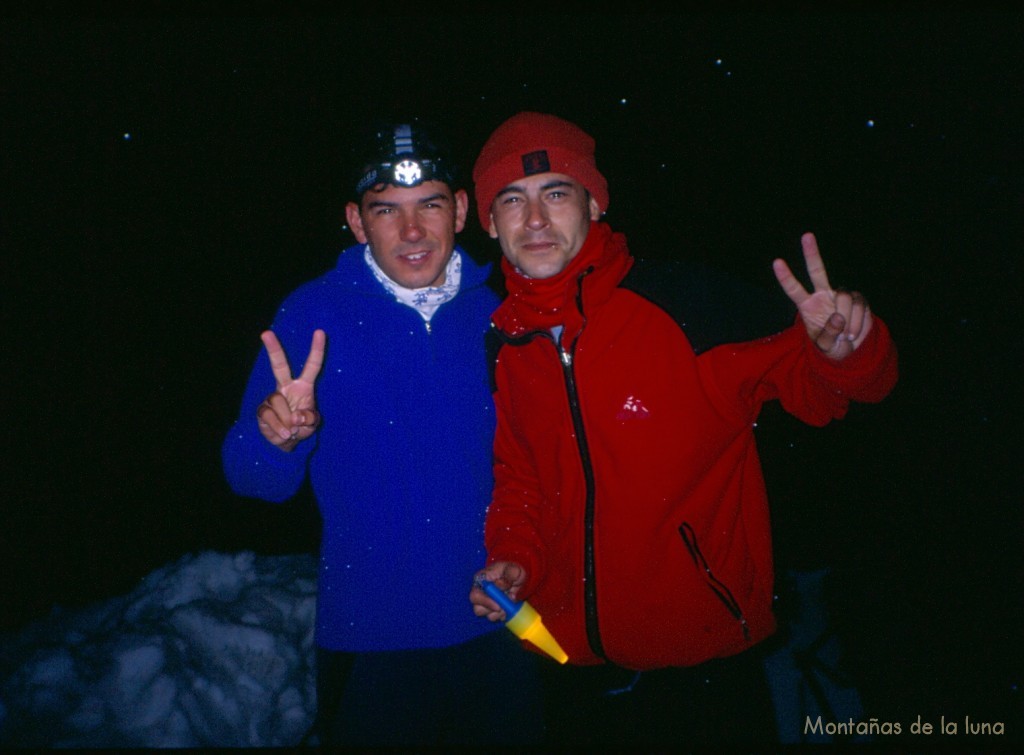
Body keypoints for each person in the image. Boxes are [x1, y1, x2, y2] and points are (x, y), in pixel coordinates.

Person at [467, 111, 899, 745]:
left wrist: (847, 349)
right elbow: (522, 478)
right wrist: (514, 557)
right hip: (568, 662)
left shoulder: (688, 305)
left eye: (556, 193)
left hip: (700, 667)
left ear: (593, 203)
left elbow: (826, 394)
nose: (534, 220)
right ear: (489, 221)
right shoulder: (507, 342)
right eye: (513, 200)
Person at [222, 120, 542, 747]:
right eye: (386, 211)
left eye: (429, 205)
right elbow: (250, 480)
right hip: (371, 642)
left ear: (460, 210)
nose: (413, 231)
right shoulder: (313, 314)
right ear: (356, 220)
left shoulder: (505, 315)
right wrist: (276, 440)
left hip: (502, 626)